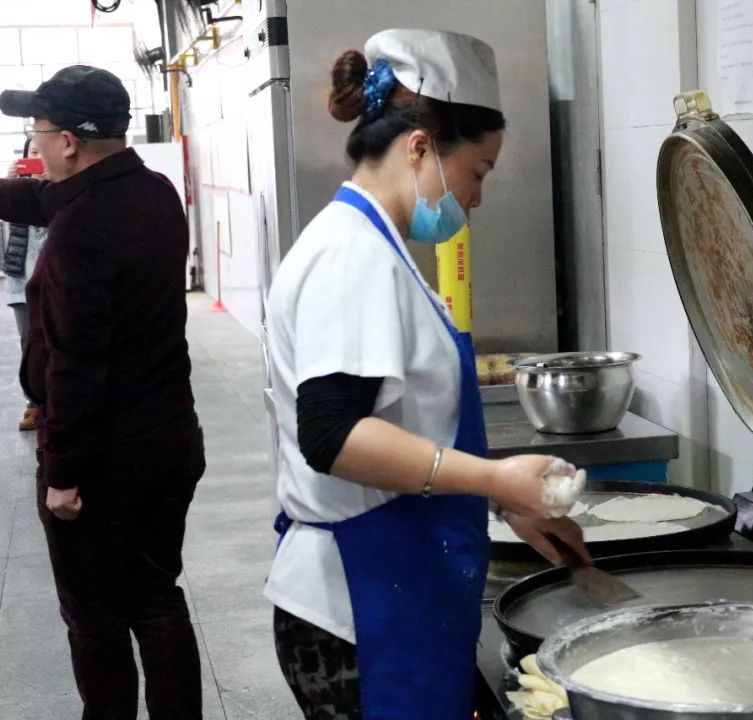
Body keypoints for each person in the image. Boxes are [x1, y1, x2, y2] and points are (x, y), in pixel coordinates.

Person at [264, 29, 587, 718]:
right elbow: (335, 435)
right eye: (478, 171)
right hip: (360, 604)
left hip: (394, 582)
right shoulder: (352, 257)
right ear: (419, 148)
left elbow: (405, 420)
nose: (476, 197)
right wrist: (497, 479)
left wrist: (506, 503)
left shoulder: (379, 247)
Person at [0, 65, 205, 720]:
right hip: (169, 440)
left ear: (67, 143)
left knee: (95, 616)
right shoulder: (153, 193)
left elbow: (76, 367)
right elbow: (43, 201)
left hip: (104, 460)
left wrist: (62, 474)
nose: (32, 147)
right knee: (156, 597)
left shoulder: (80, 235)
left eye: (37, 134)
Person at [4, 138, 48, 430]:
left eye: (43, 152)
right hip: (21, 280)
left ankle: (55, 403)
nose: (38, 158)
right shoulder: (13, 193)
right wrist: (8, 185)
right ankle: (34, 404)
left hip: (52, 280)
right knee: (28, 343)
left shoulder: (60, 190)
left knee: (57, 341)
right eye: (33, 153)